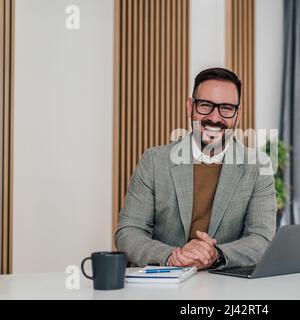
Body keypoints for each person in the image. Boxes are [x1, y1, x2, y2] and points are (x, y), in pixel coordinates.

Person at [115, 67, 276, 270]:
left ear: (238, 113)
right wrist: (173, 256)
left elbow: (261, 238)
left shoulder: (258, 166)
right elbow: (129, 232)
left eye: (226, 108)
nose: (215, 118)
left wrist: (215, 255)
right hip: (163, 284)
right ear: (190, 106)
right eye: (205, 105)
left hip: (228, 285)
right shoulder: (154, 161)